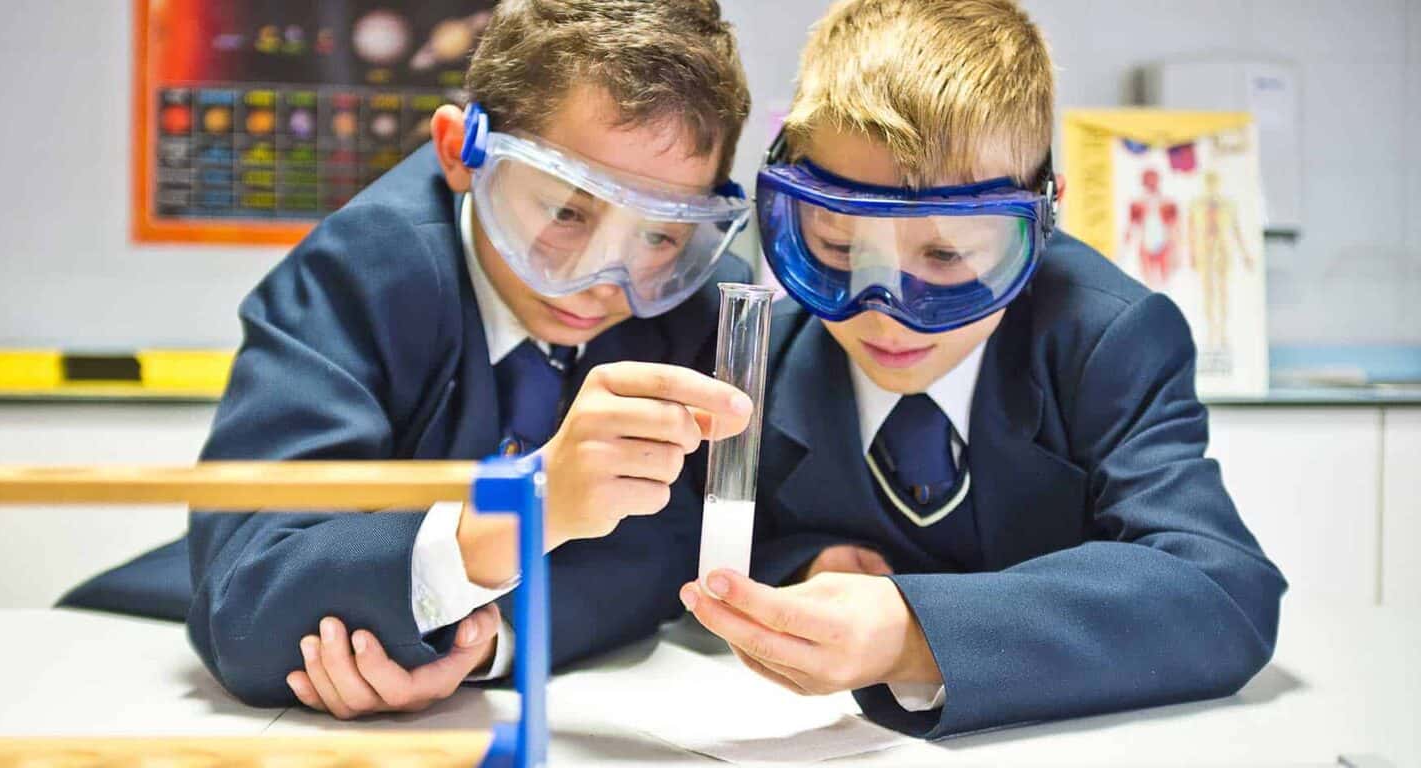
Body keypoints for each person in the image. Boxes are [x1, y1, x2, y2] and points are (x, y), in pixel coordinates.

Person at [71, 0, 756, 720]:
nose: (603, 276)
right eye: (565, 212)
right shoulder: (360, 271)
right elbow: (249, 603)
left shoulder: (689, 306)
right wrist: (525, 512)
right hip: (127, 654)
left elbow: (661, 550)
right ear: (462, 153)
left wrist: (482, 643)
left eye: (661, 236)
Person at [680, 0, 1285, 739]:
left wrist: (914, 634)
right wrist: (807, 566)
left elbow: (1220, 590)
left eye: (946, 257)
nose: (886, 310)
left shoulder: (1107, 339)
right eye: (838, 248)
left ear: (1041, 216)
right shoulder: (770, 358)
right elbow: (699, 547)